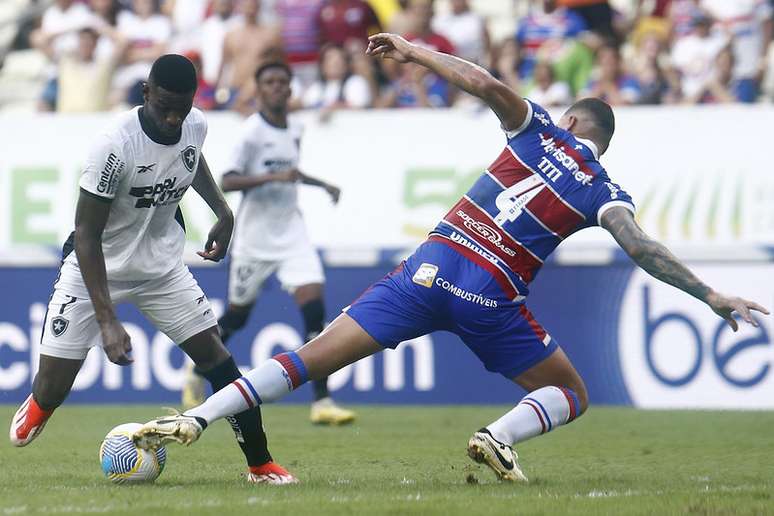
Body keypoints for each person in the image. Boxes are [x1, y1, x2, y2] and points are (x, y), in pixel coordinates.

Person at [133, 36, 769, 482]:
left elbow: (484, 83)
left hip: (430, 266)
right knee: (570, 393)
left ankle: (196, 417)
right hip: (490, 295)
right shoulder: (604, 190)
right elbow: (642, 249)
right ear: (603, 141)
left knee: (304, 360)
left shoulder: (539, 128)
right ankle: (499, 437)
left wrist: (412, 52)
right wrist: (711, 296)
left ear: (572, 119)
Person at [9, 54, 296, 485]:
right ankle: (40, 403)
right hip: (96, 269)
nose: (172, 118)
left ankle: (260, 464)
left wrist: (223, 210)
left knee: (218, 360)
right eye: (163, 107)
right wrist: (107, 322)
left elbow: (190, 157)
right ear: (145, 92)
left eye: (181, 109)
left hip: (162, 268)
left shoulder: (194, 123)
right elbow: (86, 237)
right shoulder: (113, 146)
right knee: (52, 386)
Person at [182, 61, 355, 425]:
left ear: (291, 89)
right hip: (254, 239)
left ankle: (322, 401)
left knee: (313, 311)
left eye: (282, 82)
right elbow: (228, 181)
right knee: (238, 316)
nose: (277, 88)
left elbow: (290, 171)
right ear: (259, 90)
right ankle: (197, 369)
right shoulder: (251, 132)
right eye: (269, 83)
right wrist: (274, 176)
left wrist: (320, 184)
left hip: (293, 234)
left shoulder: (296, 126)